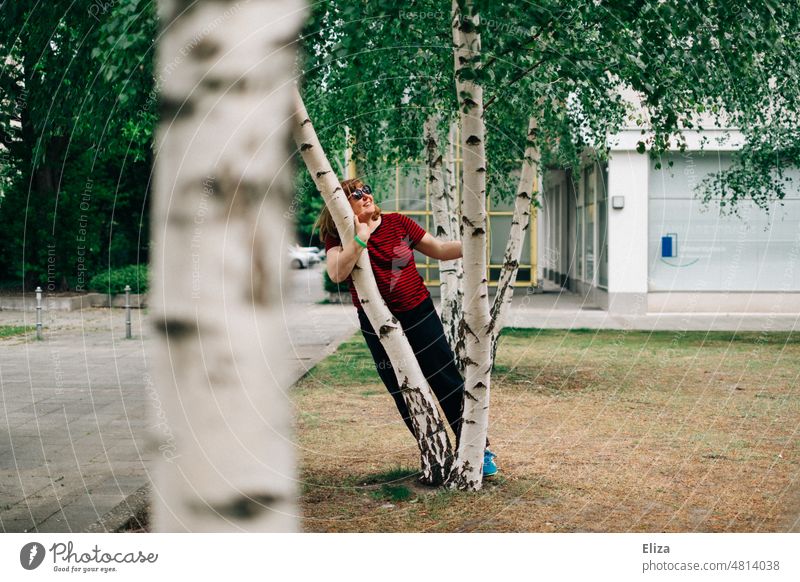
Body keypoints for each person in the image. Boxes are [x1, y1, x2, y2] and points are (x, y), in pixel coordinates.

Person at [316, 178, 497, 478]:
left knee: (446, 380)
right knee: (403, 390)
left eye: (366, 190)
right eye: (355, 195)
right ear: (339, 206)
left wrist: (473, 244)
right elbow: (337, 272)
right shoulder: (340, 236)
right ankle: (434, 451)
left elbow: (438, 249)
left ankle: (478, 451)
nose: (365, 196)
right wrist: (360, 239)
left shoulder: (398, 223)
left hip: (419, 313)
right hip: (376, 325)